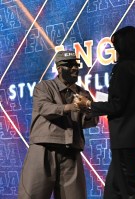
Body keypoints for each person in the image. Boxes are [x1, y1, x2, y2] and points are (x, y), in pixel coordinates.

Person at [75, 26, 135, 199]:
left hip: (125, 137)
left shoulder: (123, 68)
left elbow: (117, 105)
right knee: (115, 185)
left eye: (116, 48)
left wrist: (89, 104)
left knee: (129, 187)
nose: (115, 52)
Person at [18, 50, 98, 199]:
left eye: (76, 64)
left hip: (71, 152)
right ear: (59, 68)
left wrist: (88, 112)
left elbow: (91, 121)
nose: (74, 68)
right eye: (69, 65)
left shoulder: (83, 94)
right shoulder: (44, 87)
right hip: (44, 150)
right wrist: (70, 107)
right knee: (31, 195)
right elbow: (44, 108)